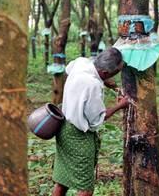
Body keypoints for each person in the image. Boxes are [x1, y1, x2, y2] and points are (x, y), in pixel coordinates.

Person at [52, 47, 129, 196]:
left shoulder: (82, 63)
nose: (115, 76)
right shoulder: (92, 85)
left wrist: (104, 81)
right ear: (105, 72)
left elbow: (69, 68)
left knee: (62, 181)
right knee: (85, 188)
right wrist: (120, 105)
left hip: (63, 128)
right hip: (78, 136)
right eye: (115, 72)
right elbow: (97, 119)